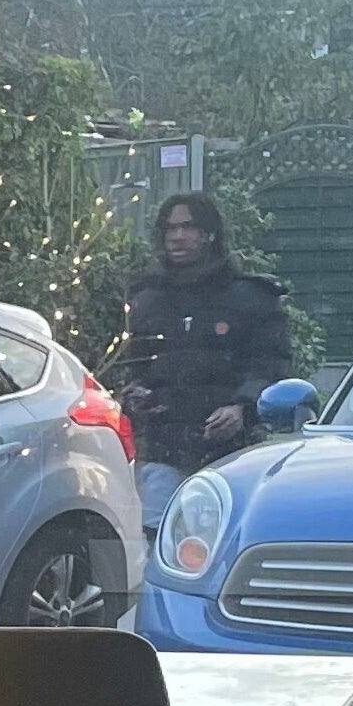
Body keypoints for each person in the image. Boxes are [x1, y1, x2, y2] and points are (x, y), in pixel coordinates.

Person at [113, 192, 294, 532]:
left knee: (223, 543)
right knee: (157, 542)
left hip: (230, 456)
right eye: (170, 229)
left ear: (209, 234)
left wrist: (242, 407)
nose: (177, 237)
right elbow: (132, 364)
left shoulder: (251, 299)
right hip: (162, 451)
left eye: (188, 227)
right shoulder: (145, 300)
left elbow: (271, 365)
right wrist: (134, 392)